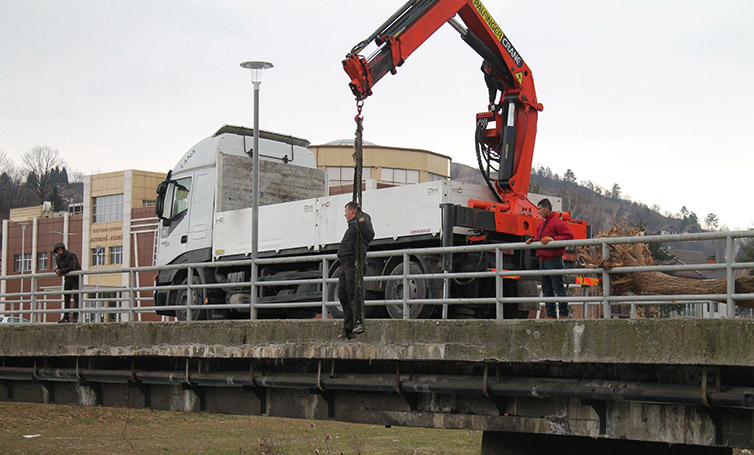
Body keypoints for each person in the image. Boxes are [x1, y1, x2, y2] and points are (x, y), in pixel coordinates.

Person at [526, 199, 574, 319]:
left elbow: (569, 237)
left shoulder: (557, 223)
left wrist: (553, 240)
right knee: (547, 289)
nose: (539, 211)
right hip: (544, 259)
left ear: (547, 208)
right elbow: (541, 238)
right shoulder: (542, 224)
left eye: (540, 209)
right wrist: (534, 240)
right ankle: (551, 315)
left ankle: (563, 314)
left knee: (558, 288)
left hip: (554, 259)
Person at [336, 201, 374, 339]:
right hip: (345, 263)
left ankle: (358, 322)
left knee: (354, 293)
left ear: (352, 212)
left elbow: (370, 235)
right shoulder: (352, 225)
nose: (344, 214)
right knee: (343, 294)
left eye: (346, 211)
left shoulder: (362, 221)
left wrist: (363, 222)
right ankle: (348, 327)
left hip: (353, 263)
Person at [53, 242, 81, 323]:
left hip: (76, 278)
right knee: (66, 298)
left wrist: (61, 271)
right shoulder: (57, 258)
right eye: (58, 250)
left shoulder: (71, 255)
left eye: (61, 250)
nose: (60, 252)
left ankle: (75, 317)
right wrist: (57, 270)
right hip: (68, 279)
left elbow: (72, 267)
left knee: (76, 298)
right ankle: (66, 317)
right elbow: (59, 267)